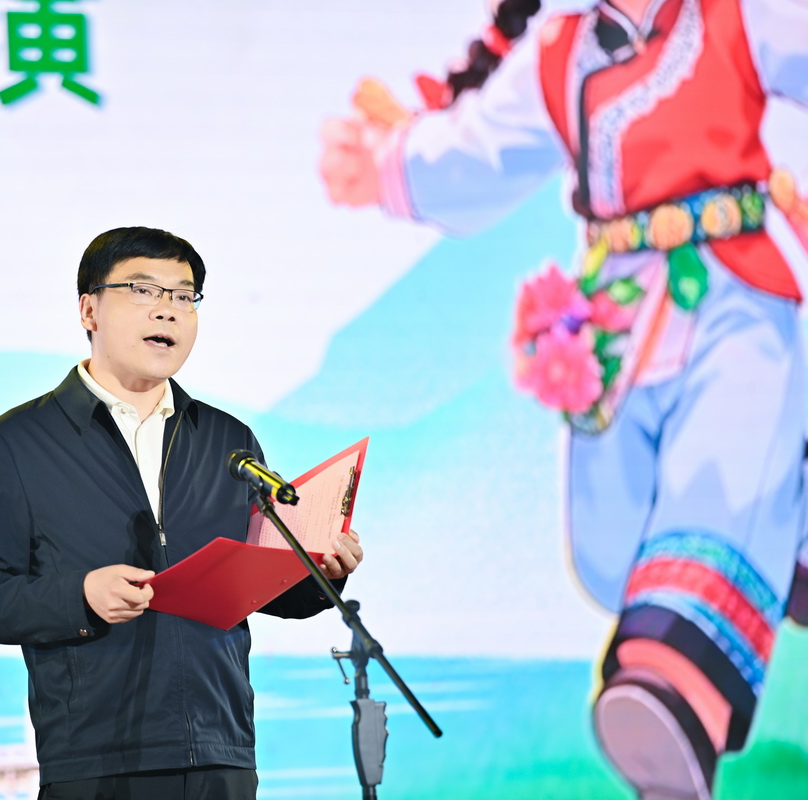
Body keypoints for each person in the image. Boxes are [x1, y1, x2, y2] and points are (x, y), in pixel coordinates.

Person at [319, 1, 807, 799]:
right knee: (613, 542)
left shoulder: (735, 16)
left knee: (722, 459)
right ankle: (778, 523)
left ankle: (677, 685)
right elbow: (479, 151)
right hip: (610, 320)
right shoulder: (560, 52)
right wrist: (388, 166)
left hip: (732, 293)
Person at [0, 226, 364, 800]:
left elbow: (262, 588)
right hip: (96, 758)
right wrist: (81, 596)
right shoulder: (18, 442)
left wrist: (322, 572)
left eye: (184, 296)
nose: (167, 310)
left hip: (221, 750)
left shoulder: (227, 439)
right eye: (143, 291)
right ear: (89, 310)